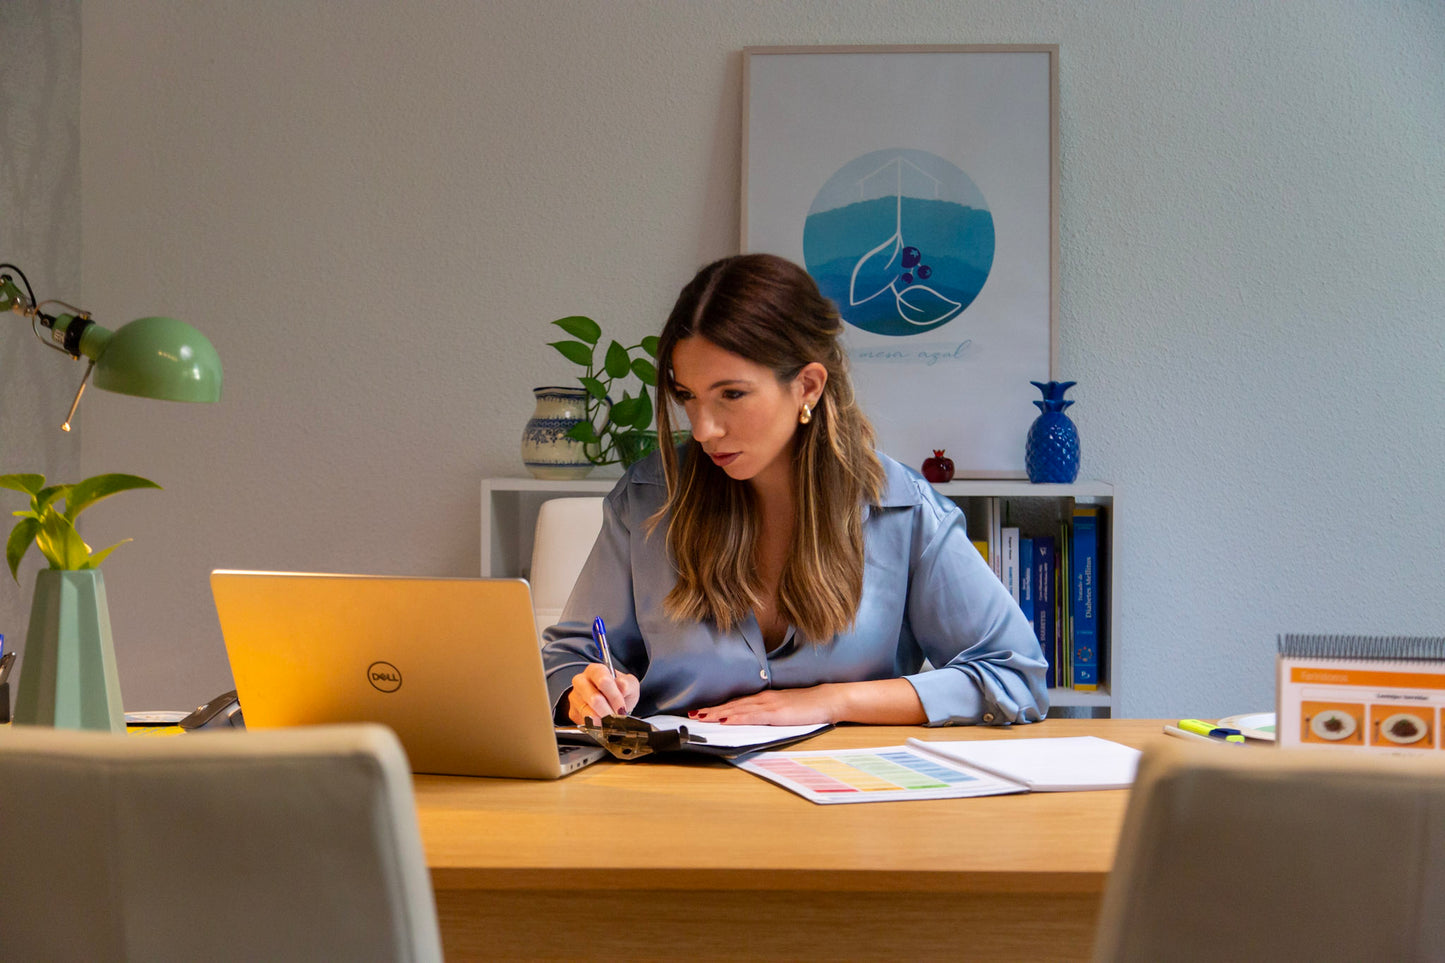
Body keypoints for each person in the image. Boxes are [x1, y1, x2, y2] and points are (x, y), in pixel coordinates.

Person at [541, 253, 1048, 728]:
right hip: (679, 799)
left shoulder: (903, 510)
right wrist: (585, 690)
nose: (702, 429)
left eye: (732, 394)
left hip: (851, 802)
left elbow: (1015, 676)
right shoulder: (649, 496)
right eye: (687, 396)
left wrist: (831, 702)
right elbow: (567, 662)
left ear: (807, 386)